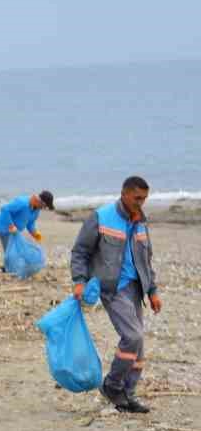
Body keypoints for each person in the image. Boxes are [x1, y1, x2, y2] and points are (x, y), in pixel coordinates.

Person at [72, 175, 163, 413]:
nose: (140, 203)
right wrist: (79, 281)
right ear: (124, 193)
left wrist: (153, 291)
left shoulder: (142, 221)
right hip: (112, 288)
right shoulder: (101, 217)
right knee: (133, 337)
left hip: (136, 289)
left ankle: (127, 395)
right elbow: (80, 252)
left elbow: (146, 259)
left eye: (144, 198)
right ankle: (112, 385)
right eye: (137, 198)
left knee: (138, 348)